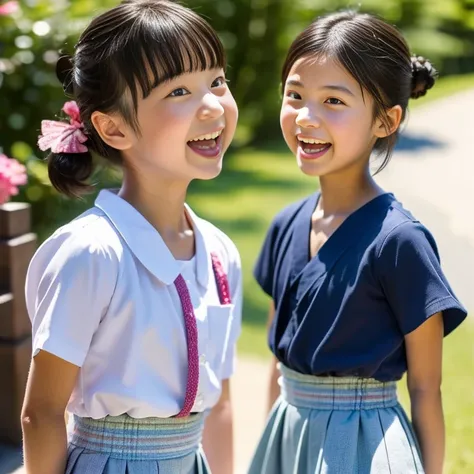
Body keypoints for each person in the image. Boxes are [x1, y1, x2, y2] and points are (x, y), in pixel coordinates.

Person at [20, 1, 241, 473]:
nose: (212, 105)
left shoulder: (220, 253)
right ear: (113, 127)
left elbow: (219, 403)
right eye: (180, 90)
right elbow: (40, 413)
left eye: (217, 81)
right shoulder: (92, 253)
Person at [249, 10, 467, 474]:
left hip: (367, 447)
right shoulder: (285, 224)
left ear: (385, 121)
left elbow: (427, 389)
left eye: (333, 100)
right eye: (295, 95)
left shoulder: (400, 241)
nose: (306, 117)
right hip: (287, 438)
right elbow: (277, 365)